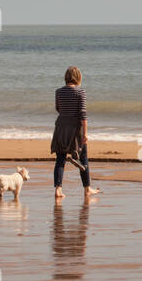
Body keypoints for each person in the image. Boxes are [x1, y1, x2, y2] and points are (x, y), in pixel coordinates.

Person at [51, 66, 100, 199]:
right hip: (75, 130)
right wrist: (85, 133)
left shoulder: (58, 92)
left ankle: (58, 190)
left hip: (61, 127)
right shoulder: (80, 92)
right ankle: (87, 189)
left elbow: (58, 108)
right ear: (78, 77)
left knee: (60, 160)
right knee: (83, 158)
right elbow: (83, 114)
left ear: (66, 77)